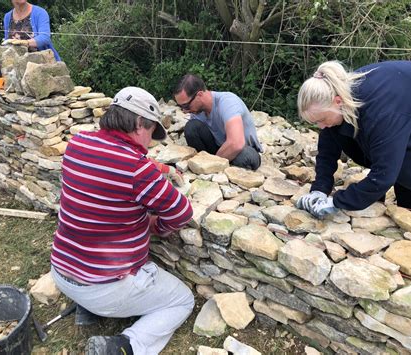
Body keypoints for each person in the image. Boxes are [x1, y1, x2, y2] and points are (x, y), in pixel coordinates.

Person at [50, 87, 194, 355]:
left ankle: (87, 308)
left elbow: (111, 166)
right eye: (151, 133)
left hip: (61, 271)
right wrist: (155, 227)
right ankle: (125, 346)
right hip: (103, 287)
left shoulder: (77, 144)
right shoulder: (137, 169)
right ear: (140, 123)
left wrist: (159, 168)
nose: (150, 142)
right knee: (182, 301)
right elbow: (182, 212)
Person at [296, 60, 411, 219]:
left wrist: (338, 202)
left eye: (322, 119)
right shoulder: (337, 99)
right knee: (347, 136)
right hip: (403, 99)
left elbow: (384, 174)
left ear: (337, 101)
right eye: (315, 122)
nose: (321, 126)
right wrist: (320, 189)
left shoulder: (380, 114)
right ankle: (404, 214)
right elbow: (327, 151)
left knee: (409, 165)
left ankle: (410, 217)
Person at [174, 74, 263, 170]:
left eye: (186, 106)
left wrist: (212, 162)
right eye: (181, 107)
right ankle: (209, 164)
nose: (184, 111)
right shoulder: (197, 111)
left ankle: (210, 166)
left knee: (248, 157)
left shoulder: (228, 102)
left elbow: (236, 143)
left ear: (199, 95)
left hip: (242, 149)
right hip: (218, 148)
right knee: (191, 127)